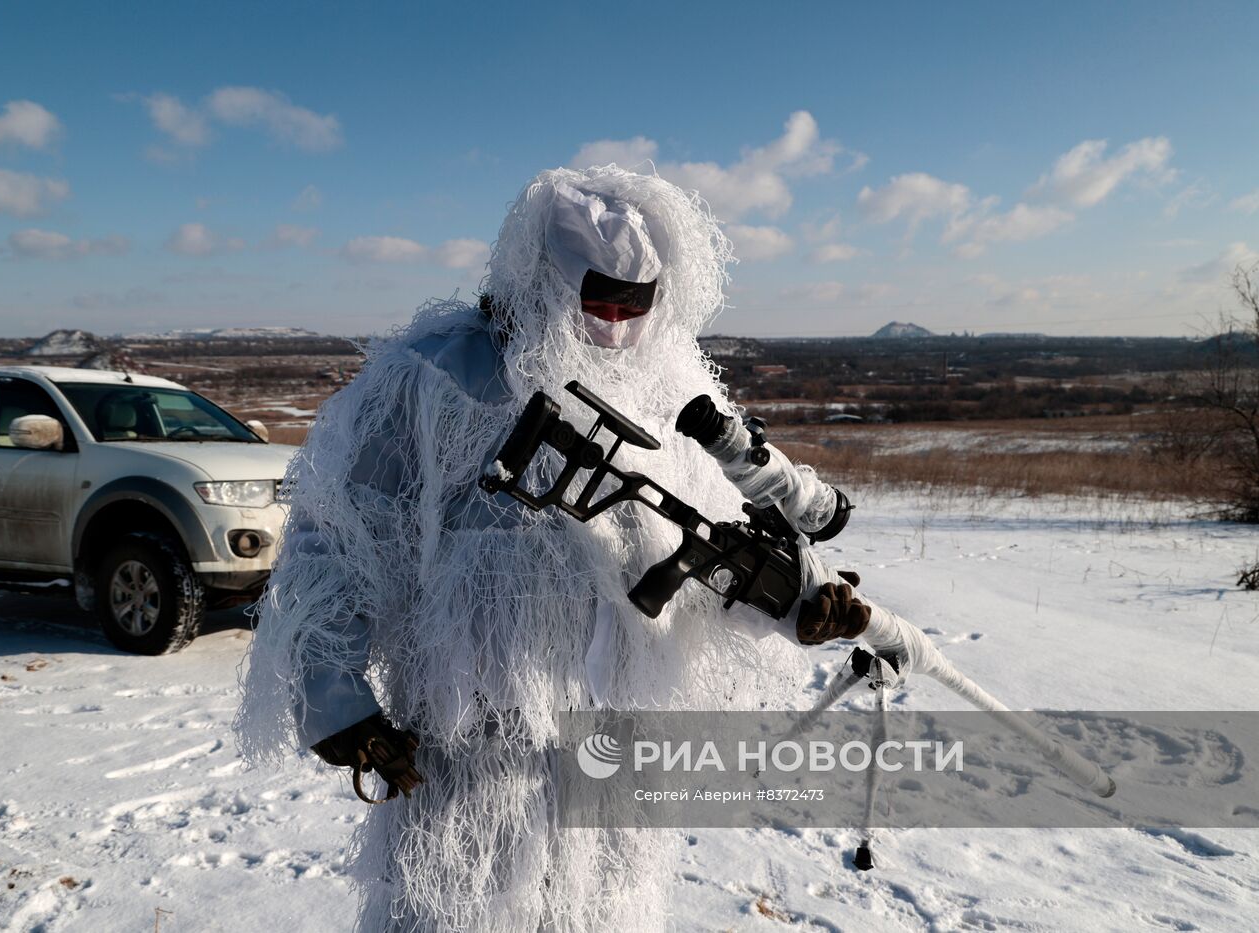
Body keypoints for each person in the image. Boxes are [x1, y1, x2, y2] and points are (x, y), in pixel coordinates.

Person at [235, 165, 870, 931]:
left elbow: (717, 540)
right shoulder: (440, 376)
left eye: (634, 305)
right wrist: (335, 696)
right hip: (475, 745)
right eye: (597, 300)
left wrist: (801, 601)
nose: (614, 326)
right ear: (544, 279)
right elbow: (341, 536)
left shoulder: (670, 388)